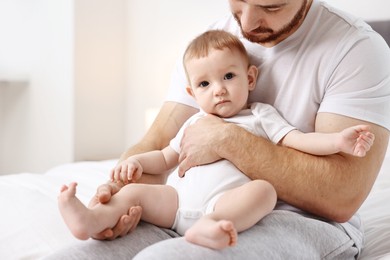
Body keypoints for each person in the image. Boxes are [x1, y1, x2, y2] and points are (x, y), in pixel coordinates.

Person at [46, 0, 390, 259]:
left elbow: (341, 195)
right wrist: (116, 194)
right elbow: (161, 140)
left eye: (271, 5)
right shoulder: (210, 45)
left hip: (300, 220)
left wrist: (228, 139)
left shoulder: (356, 49)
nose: (249, 22)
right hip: (186, 207)